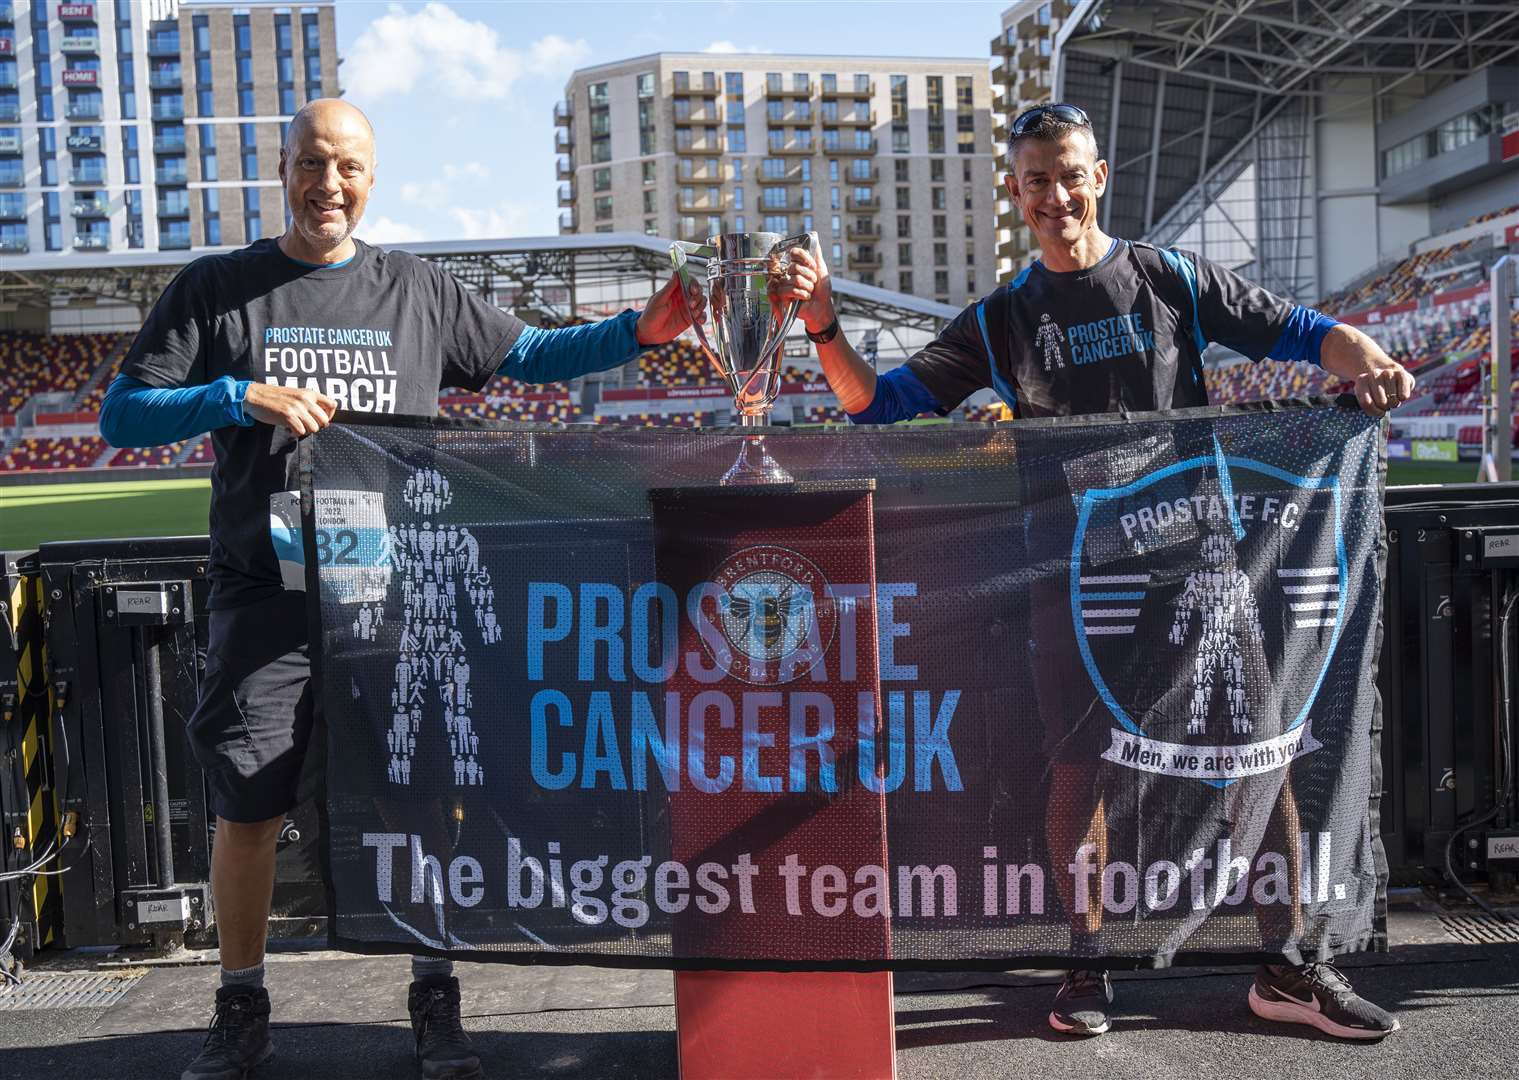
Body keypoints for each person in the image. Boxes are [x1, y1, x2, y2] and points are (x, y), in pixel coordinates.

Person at [771, 102, 1413, 1042]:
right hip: (1075, 582)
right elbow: (878, 407)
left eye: (1069, 175)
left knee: (1259, 757)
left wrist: (1365, 354)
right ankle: (1085, 961)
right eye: (1035, 180)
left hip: (1201, 567)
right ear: (1014, 193)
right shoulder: (1000, 319)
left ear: (1098, 176)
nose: (1055, 196)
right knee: (1081, 771)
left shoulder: (1170, 279)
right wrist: (825, 328)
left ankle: (1287, 968)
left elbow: (1296, 328)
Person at [98, 98, 700, 1080]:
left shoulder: (414, 290)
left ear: (370, 178)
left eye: (347, 167)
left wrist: (641, 329)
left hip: (392, 591)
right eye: (310, 163)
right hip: (267, 599)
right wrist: (234, 395)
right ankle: (241, 1005)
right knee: (247, 807)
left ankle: (435, 994)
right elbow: (122, 415)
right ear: (282, 167)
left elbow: (530, 355)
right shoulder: (217, 290)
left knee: (424, 800)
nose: (327, 184)